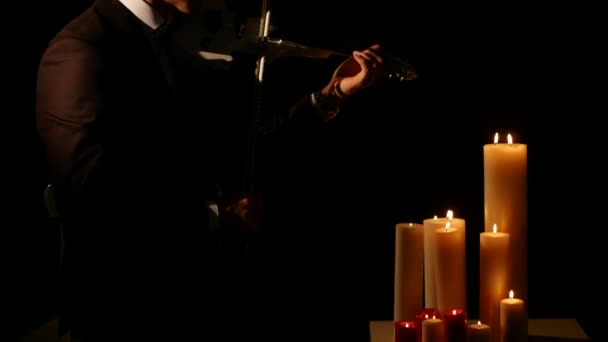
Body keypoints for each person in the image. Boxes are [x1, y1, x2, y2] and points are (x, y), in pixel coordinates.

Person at [35, 0, 392, 340]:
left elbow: (234, 153)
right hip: (129, 311)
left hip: (195, 300)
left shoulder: (169, 36)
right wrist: (215, 217)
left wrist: (332, 94)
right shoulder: (82, 51)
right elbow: (90, 198)